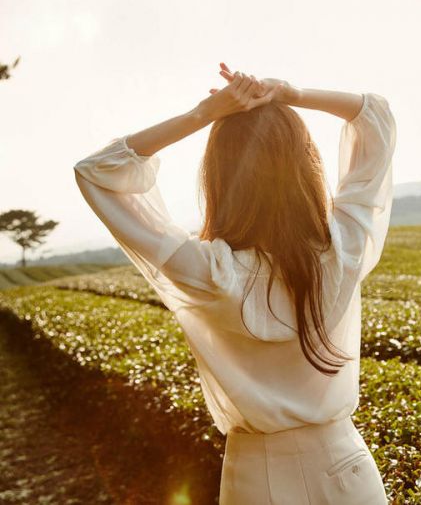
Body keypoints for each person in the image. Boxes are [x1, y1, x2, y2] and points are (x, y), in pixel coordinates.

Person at [73, 62, 397, 505]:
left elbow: (96, 171)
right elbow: (374, 117)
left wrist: (203, 113)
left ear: (218, 177)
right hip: (346, 468)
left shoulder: (210, 272)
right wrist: (291, 94)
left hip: (258, 477)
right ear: (306, 164)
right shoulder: (341, 250)